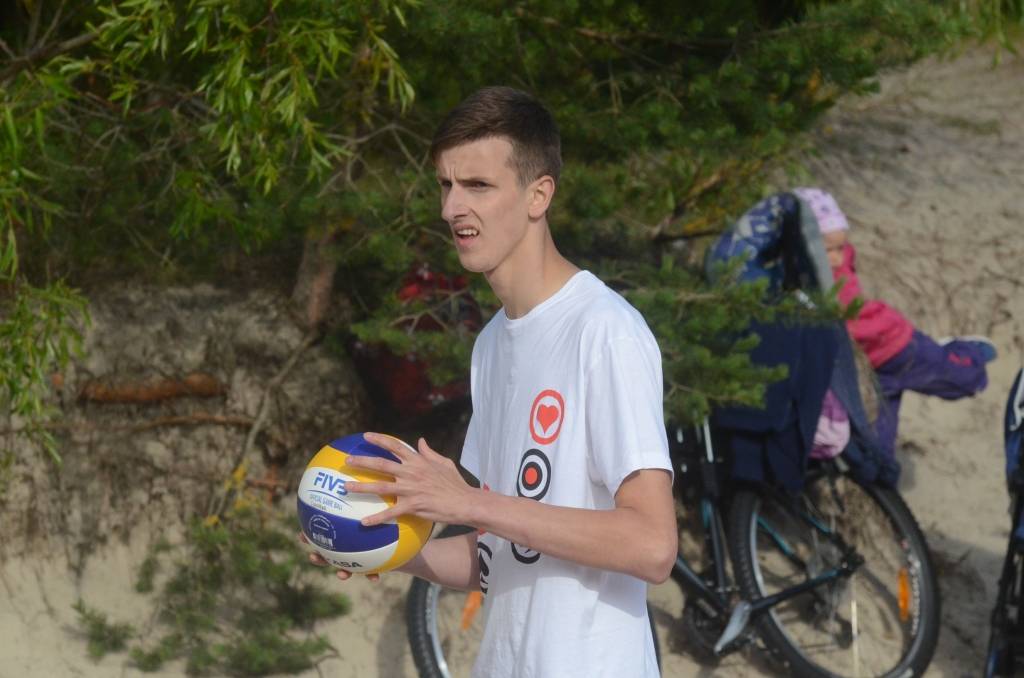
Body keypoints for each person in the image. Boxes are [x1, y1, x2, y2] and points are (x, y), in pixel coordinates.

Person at [307, 86, 678, 677]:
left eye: (477, 185)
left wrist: (471, 502)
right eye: (445, 185)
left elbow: (653, 546)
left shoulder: (605, 331)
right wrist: (382, 546)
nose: (452, 208)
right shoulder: (491, 345)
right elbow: (498, 558)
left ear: (538, 195)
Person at [793, 187, 996, 460]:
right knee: (880, 438)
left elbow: (851, 324)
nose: (838, 257)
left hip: (899, 347)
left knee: (964, 381)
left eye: (841, 247)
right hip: (872, 371)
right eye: (829, 250)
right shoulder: (808, 282)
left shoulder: (834, 276)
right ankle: (883, 470)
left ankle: (968, 353)